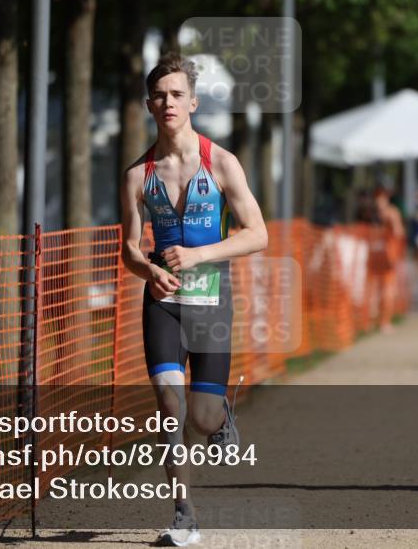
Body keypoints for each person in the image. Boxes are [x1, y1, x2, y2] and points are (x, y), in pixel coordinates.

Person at [120, 54, 268, 545]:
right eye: (160, 96)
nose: (168, 103)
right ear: (148, 104)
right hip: (162, 300)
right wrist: (148, 270)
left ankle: (221, 414)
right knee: (169, 405)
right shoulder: (138, 175)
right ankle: (184, 512)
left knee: (200, 417)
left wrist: (201, 252)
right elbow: (128, 248)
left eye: (177, 94)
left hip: (212, 299)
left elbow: (257, 234)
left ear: (193, 102)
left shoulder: (221, 163)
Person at [367, 186, 406, 332]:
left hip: (379, 252)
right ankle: (383, 322)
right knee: (385, 289)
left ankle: (375, 321)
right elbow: (399, 232)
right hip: (386, 254)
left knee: (376, 288)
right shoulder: (391, 213)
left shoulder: (373, 213)